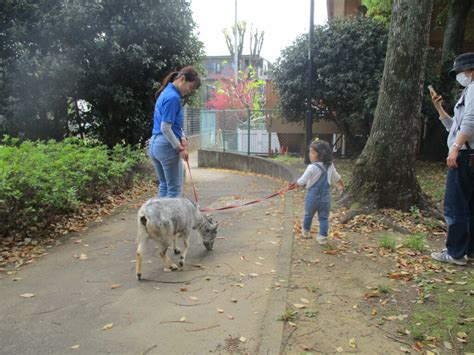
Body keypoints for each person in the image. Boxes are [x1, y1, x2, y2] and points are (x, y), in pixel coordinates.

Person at [430, 52, 474, 266]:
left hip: (465, 155)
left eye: (460, 71)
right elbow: (453, 128)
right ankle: (467, 249)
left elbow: (470, 122)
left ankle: (456, 252)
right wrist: (439, 108)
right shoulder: (468, 91)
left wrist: (455, 149)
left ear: (470, 70)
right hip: (468, 153)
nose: (459, 75)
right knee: (468, 204)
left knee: (455, 204)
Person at [149, 66, 201, 198]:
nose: (189, 92)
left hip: (155, 145)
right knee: (173, 190)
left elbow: (172, 124)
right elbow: (165, 127)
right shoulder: (173, 98)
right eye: (190, 87)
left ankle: (158, 218)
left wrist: (182, 136)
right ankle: (171, 219)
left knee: (165, 186)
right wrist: (180, 149)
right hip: (166, 146)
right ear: (182, 79)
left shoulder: (165, 93)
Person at [290, 140, 344, 244]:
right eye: (310, 152)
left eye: (312, 152)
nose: (310, 155)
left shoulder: (311, 167)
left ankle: (306, 232)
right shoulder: (330, 165)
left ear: (321, 155)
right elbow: (337, 177)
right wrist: (341, 184)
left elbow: (302, 181)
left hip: (312, 197)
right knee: (324, 218)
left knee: (308, 215)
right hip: (325, 198)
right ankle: (322, 237)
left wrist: (294, 185)